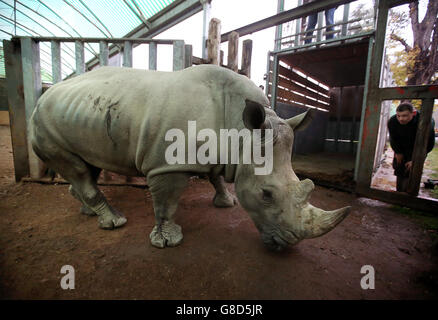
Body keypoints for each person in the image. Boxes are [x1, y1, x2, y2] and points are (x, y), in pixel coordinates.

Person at [387, 102, 435, 192]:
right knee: (399, 167)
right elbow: (393, 138)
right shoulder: (393, 121)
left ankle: (410, 193)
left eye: (405, 115)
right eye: (398, 115)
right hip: (402, 147)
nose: (401, 119)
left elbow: (429, 143)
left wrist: (416, 159)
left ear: (414, 113)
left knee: (413, 170)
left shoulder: (426, 121)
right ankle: (400, 193)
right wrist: (397, 151)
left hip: (418, 149)